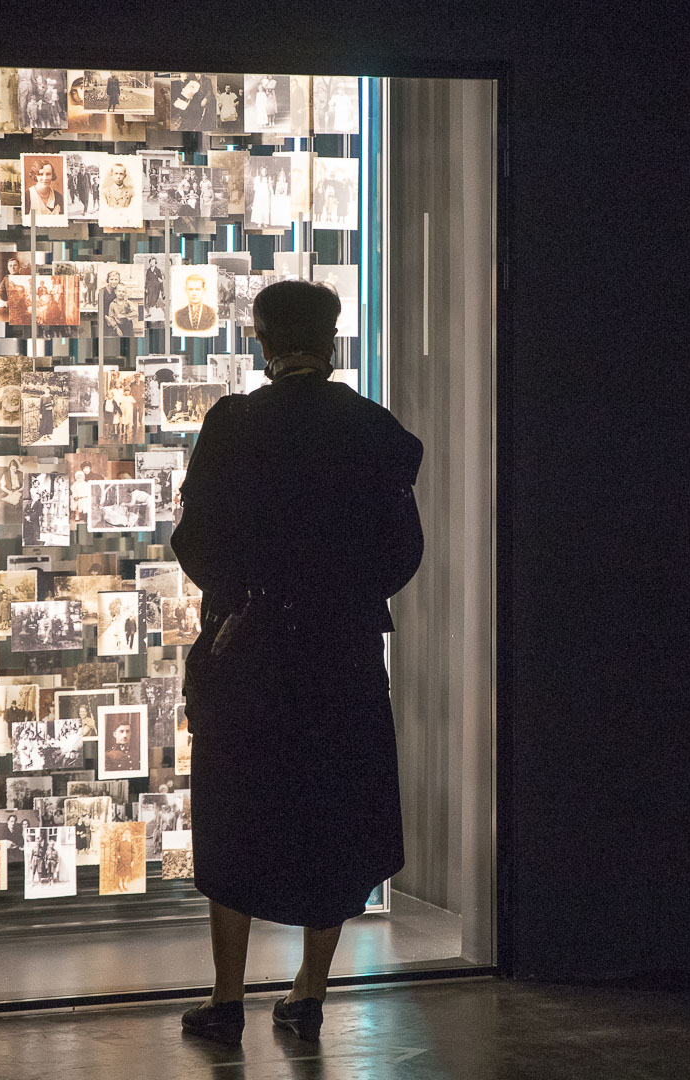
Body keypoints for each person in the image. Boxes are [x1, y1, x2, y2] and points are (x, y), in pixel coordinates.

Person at [169, 279, 424, 1044]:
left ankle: (226, 998)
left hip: (249, 650)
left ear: (263, 342)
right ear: (332, 341)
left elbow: (195, 540)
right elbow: (402, 553)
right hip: (341, 653)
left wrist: (243, 594)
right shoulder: (373, 430)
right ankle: (308, 991)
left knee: (234, 812)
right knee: (335, 813)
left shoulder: (234, 424)